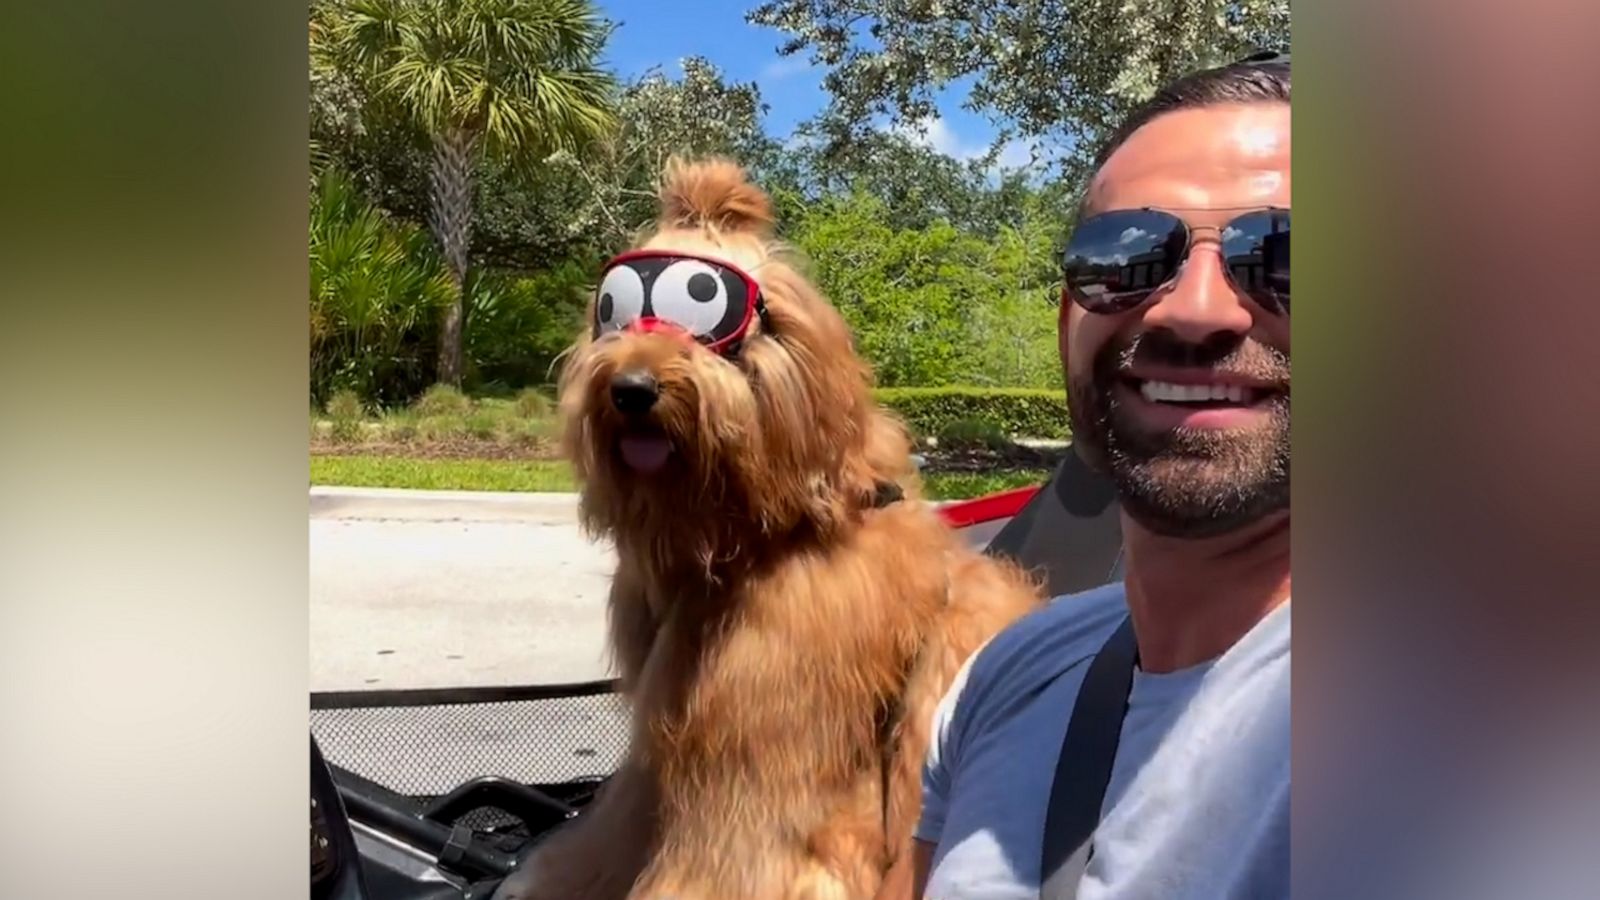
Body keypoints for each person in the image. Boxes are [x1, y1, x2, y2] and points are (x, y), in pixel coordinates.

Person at [905, 53, 1291, 899]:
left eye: (1287, 257)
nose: (1192, 309)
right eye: (1129, 256)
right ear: (1066, 323)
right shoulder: (1012, 670)